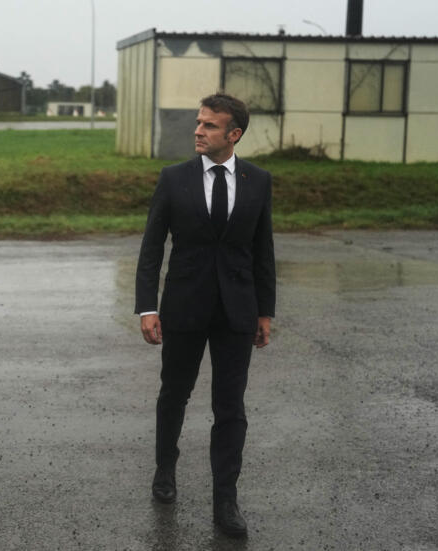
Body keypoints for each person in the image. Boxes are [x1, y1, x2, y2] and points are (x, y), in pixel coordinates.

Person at [134, 92, 275, 538]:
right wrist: (147, 307)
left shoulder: (258, 180)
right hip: (184, 307)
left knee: (230, 407)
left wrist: (265, 313)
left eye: (210, 125)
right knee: (174, 394)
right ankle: (165, 469)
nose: (198, 130)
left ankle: (225, 501)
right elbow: (152, 247)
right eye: (199, 122)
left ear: (233, 134)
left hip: (237, 311)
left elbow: (262, 252)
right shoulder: (174, 179)